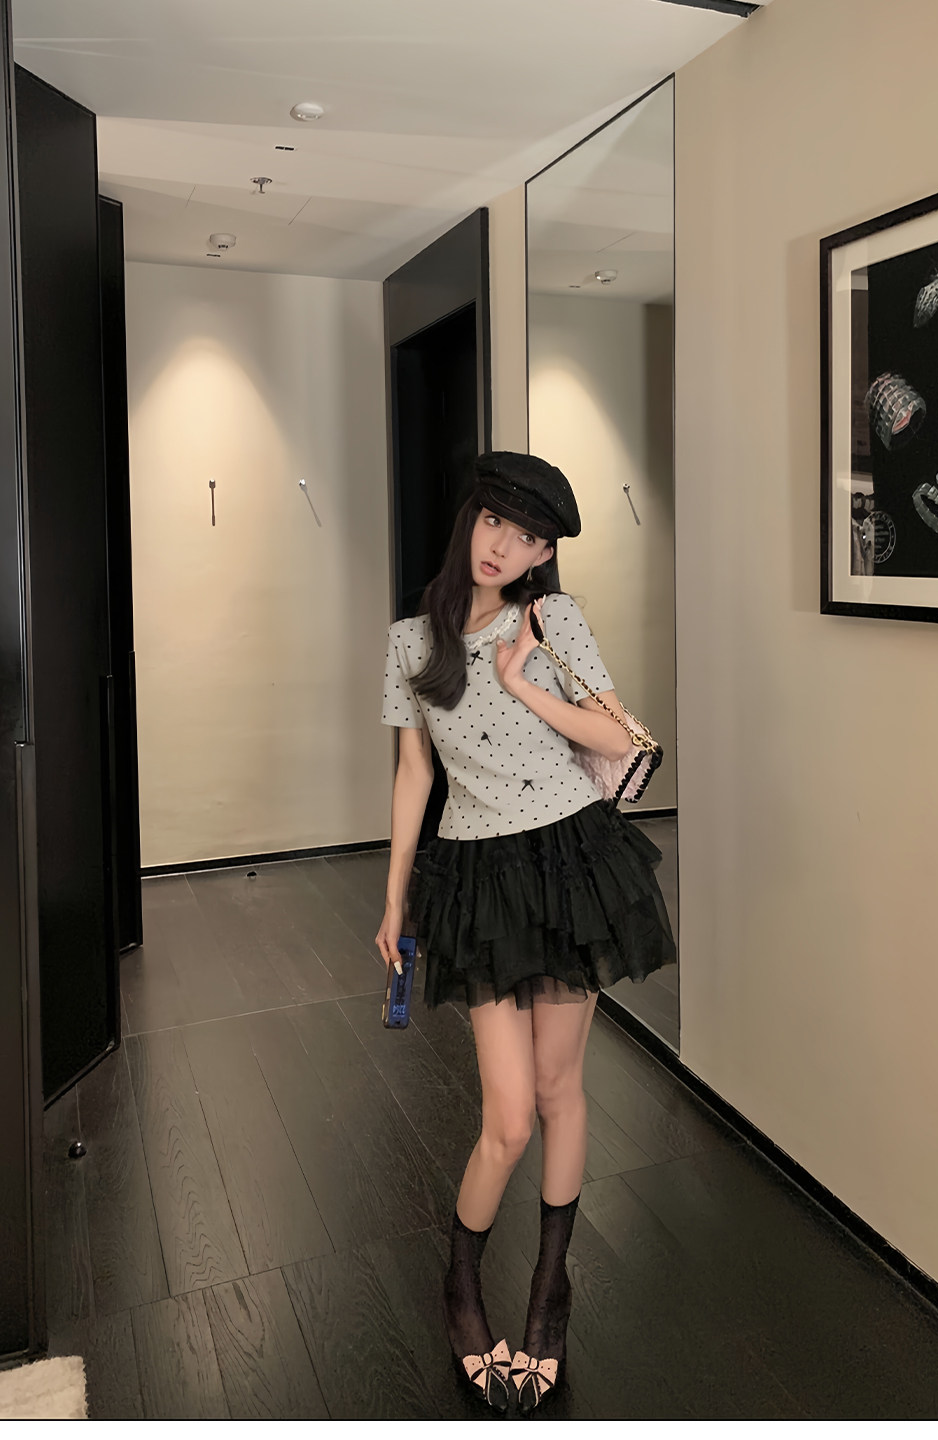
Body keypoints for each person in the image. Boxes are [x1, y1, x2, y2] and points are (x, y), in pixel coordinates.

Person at [376, 451, 675, 1414]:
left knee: (557, 1091)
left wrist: (525, 682)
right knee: (505, 1120)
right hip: (475, 877)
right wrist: (394, 900)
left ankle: (550, 1292)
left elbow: (618, 740)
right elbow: (416, 775)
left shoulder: (553, 621)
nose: (505, 546)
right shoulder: (409, 643)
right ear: (472, 518)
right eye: (496, 521)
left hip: (566, 863)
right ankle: (461, 1284)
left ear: (546, 553)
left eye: (530, 536)